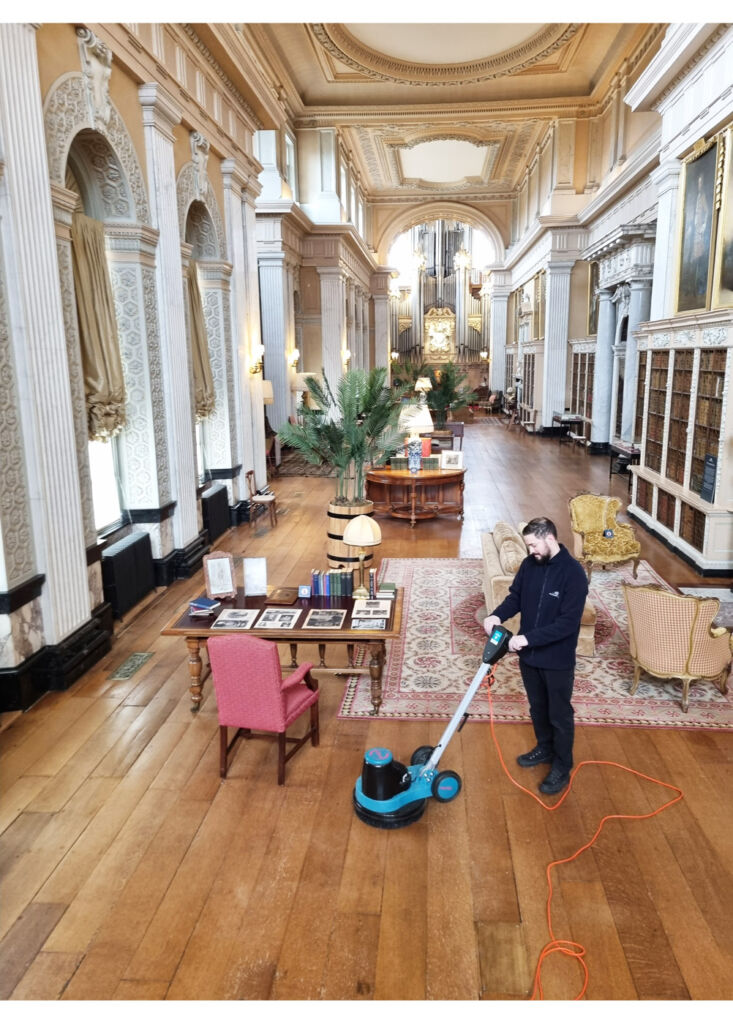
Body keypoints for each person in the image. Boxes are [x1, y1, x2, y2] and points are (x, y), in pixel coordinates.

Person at [483, 516, 588, 795]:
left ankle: (562, 765)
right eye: (528, 546)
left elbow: (567, 624)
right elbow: (515, 597)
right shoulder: (531, 565)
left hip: (557, 660)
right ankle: (544, 748)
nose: (531, 551)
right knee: (537, 707)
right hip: (529, 657)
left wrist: (527, 638)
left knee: (559, 713)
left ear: (549, 538)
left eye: (533, 545)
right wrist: (496, 615)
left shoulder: (573, 574)